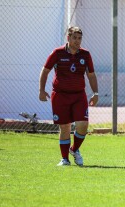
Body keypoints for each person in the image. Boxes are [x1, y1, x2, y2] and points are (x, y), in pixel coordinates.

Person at [39, 26, 98, 167]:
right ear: (68, 38)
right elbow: (45, 70)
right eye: (74, 38)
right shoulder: (57, 53)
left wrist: (95, 93)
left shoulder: (85, 55)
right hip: (60, 95)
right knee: (65, 127)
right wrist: (41, 90)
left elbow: (91, 75)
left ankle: (74, 149)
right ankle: (64, 159)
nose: (77, 41)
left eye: (79, 38)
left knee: (83, 125)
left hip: (79, 96)